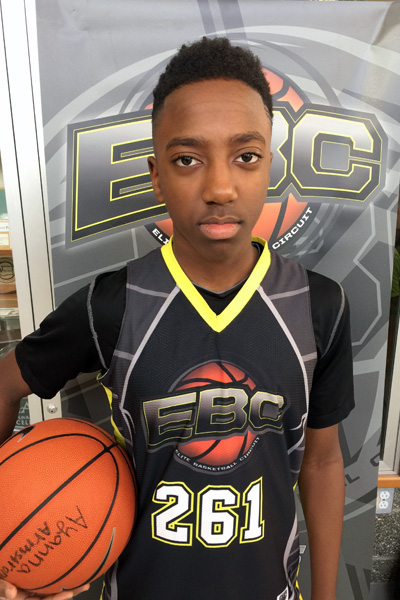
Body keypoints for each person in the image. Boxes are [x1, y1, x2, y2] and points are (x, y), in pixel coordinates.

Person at [0, 37, 354, 600]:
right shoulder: (114, 304)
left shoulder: (317, 305)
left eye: (245, 156)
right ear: (156, 175)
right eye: (188, 159)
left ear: (270, 166)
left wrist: (327, 596)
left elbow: (323, 461)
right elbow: (5, 383)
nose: (219, 187)